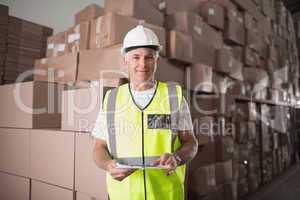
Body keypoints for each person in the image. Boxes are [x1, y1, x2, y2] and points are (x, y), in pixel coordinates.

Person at [92, 25, 198, 200]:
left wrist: (177, 158)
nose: (142, 64)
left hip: (166, 195)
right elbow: (98, 148)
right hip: (124, 196)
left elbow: (191, 143)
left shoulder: (174, 96)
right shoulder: (111, 99)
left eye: (149, 57)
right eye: (136, 57)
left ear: (156, 61)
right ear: (125, 60)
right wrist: (108, 164)